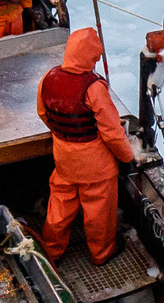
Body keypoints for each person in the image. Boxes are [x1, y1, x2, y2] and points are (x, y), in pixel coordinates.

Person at [37, 27, 132, 265]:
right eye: (95, 57)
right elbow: (112, 132)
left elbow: (43, 113)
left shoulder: (48, 78)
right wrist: (127, 157)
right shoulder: (94, 88)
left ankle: (51, 251)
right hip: (95, 165)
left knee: (60, 205)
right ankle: (102, 252)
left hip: (64, 158)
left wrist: (62, 134)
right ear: (89, 56)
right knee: (98, 209)